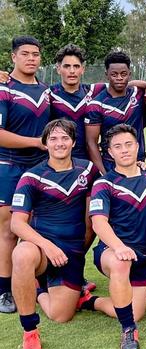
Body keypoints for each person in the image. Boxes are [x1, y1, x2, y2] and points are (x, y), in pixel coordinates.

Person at [10, 119, 100, 349]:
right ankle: (30, 332)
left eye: (64, 138)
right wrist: (47, 246)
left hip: (71, 251)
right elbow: (17, 223)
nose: (59, 143)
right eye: (53, 138)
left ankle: (38, 288)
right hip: (41, 249)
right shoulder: (31, 177)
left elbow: (93, 220)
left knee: (61, 316)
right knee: (21, 254)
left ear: (73, 142)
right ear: (45, 143)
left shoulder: (88, 170)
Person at [81, 124, 146, 349]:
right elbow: (99, 222)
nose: (124, 150)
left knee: (137, 311)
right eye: (117, 146)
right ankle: (129, 331)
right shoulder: (104, 183)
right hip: (111, 252)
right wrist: (119, 247)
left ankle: (89, 301)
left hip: (143, 255)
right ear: (110, 152)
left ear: (138, 146)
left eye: (129, 144)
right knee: (121, 264)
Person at [0, 36, 50, 313]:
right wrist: (35, 142)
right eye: (25, 54)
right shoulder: (4, 89)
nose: (31, 58)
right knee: (8, 230)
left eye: (35, 54)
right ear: (13, 58)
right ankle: (4, 290)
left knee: (39, 225)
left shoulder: (45, 90)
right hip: (9, 165)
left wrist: (144, 82)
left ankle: (42, 281)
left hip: (41, 167)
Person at [85, 51, 146, 174]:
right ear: (107, 75)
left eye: (123, 74)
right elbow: (91, 142)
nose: (119, 78)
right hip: (110, 165)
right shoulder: (96, 105)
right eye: (114, 74)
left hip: (138, 163)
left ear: (129, 74)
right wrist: (103, 174)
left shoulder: (138, 94)